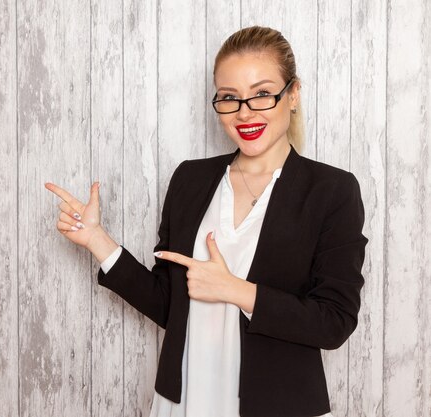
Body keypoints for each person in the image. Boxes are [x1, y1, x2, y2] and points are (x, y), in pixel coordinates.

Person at [45, 25, 367, 417]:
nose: (244, 113)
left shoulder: (331, 190)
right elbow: (169, 304)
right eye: (230, 98)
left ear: (293, 94)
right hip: (184, 401)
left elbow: (334, 322)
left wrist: (234, 290)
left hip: (278, 405)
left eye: (262, 94)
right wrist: (97, 240)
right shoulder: (190, 180)